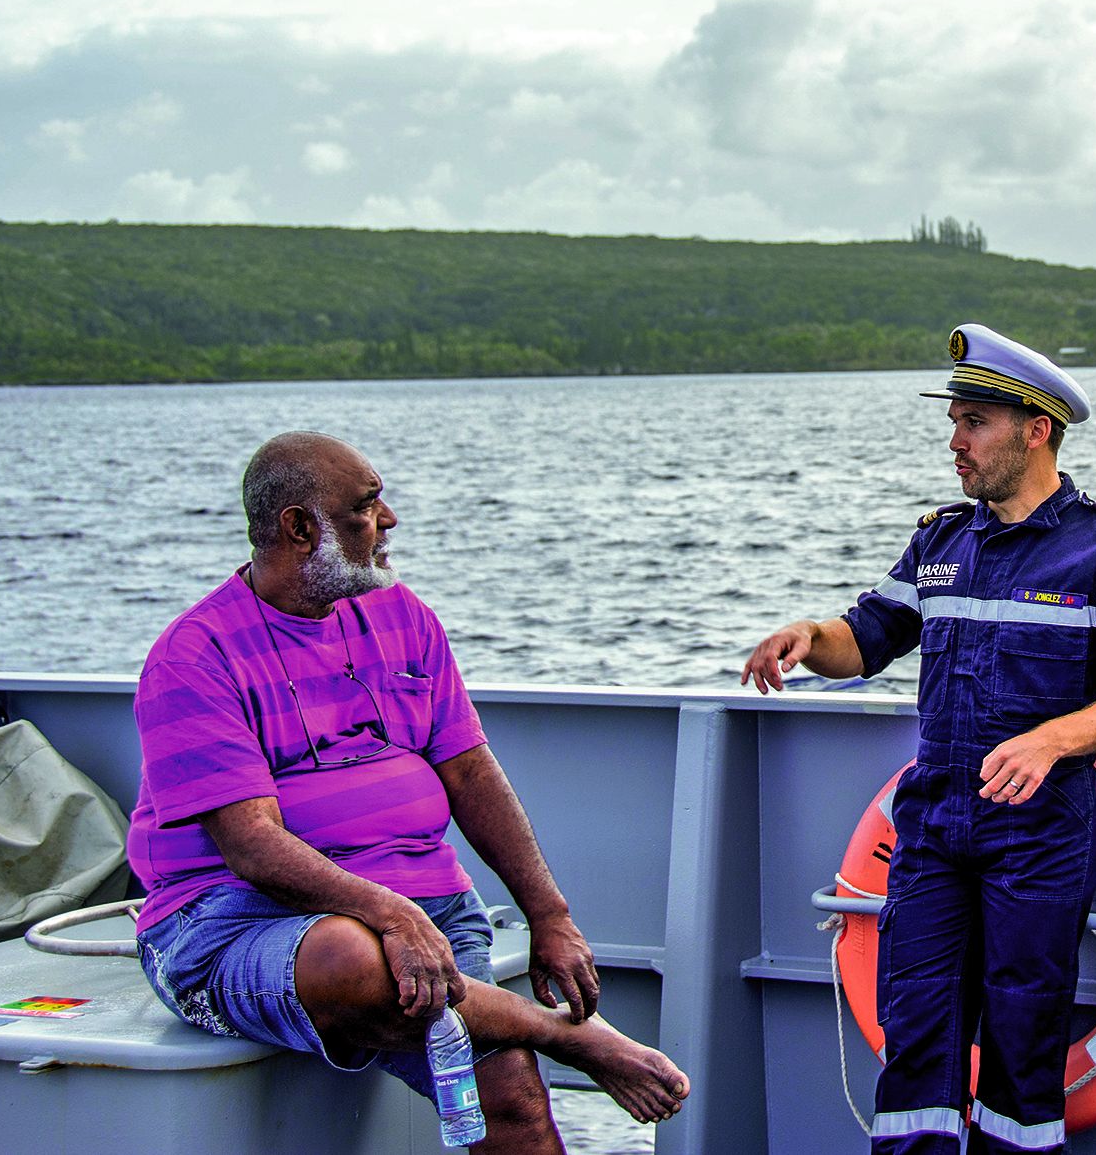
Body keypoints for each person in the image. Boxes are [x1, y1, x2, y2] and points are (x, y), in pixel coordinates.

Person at [127, 431, 689, 1153]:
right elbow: (252, 845)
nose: (388, 518)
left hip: (420, 906)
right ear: (301, 528)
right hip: (235, 922)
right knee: (352, 960)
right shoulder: (194, 655)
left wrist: (549, 915)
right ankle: (567, 1037)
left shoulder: (400, 614)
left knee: (511, 1097)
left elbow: (470, 770)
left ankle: (523, 1033)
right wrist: (386, 915)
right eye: (365, 506)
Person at [741, 324, 1096, 1154]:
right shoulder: (941, 539)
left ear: (1035, 428)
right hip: (933, 828)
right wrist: (808, 634)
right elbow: (866, 637)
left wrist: (1053, 739)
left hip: (1039, 833)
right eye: (954, 421)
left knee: (1023, 1045)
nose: (955, 441)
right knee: (915, 1036)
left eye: (974, 421)